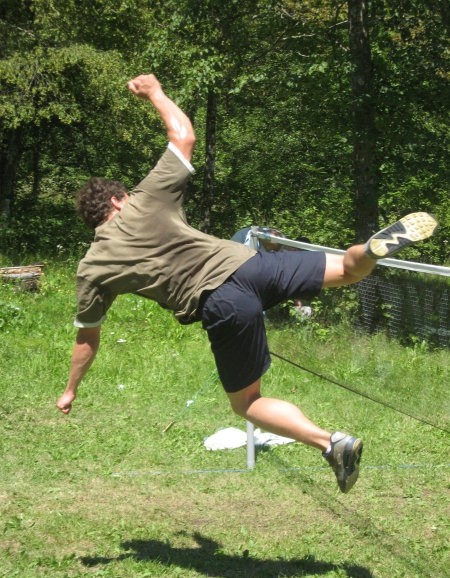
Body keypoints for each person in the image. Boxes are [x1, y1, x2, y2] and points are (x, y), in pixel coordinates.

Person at [56, 73, 438, 494]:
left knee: (248, 405)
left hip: (222, 304)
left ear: (97, 217)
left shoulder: (93, 266)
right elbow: (183, 136)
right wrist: (155, 92)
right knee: (348, 271)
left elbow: (87, 338)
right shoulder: (145, 200)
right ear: (117, 200)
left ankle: (331, 443)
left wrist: (71, 390)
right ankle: (369, 250)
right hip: (252, 266)